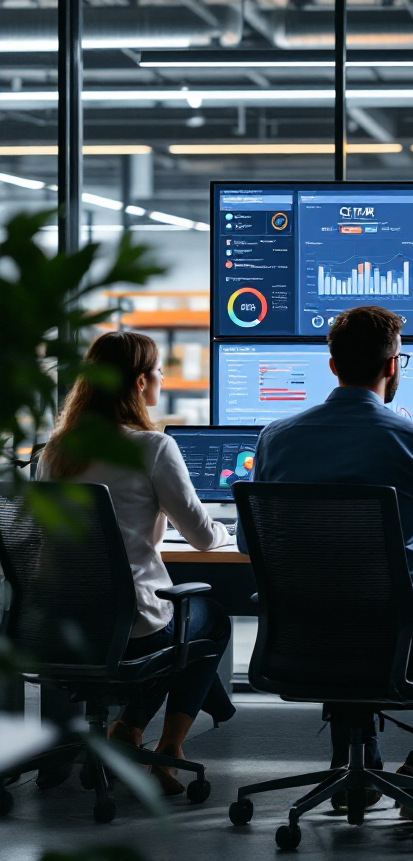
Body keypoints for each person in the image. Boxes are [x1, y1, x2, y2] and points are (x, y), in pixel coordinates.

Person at [248, 305, 413, 809]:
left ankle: (356, 768)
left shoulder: (275, 439)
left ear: (332, 365)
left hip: (300, 638)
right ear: (393, 364)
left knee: (339, 607)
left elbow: (252, 543)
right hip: (397, 644)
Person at [37, 331, 235, 795]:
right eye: (159, 372)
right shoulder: (152, 447)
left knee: (179, 627)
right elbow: (203, 538)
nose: (162, 379)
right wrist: (230, 531)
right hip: (133, 630)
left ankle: (128, 729)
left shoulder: (55, 452)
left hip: (62, 627)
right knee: (212, 622)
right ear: (142, 382)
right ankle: (167, 747)